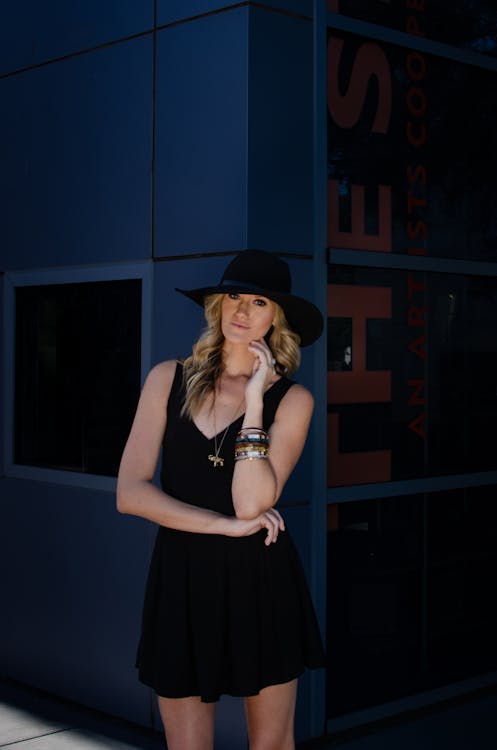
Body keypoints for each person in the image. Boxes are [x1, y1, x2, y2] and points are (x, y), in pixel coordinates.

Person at [117, 250, 325, 750]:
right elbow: (130, 492)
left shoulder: (292, 400)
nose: (242, 311)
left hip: (261, 579)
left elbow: (251, 504)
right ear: (216, 303)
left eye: (259, 302)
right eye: (233, 296)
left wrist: (255, 401)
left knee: (271, 744)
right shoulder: (168, 378)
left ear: (277, 318)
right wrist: (222, 526)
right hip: (181, 575)